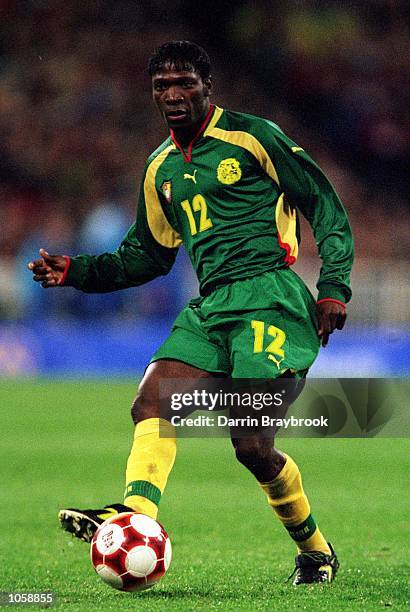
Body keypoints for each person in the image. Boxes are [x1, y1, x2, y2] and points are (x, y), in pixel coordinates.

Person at [28, 41, 353, 585]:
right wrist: (77, 272)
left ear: (208, 86)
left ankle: (316, 552)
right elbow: (147, 256)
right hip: (211, 307)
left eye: (185, 83)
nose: (174, 94)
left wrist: (334, 287)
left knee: (250, 445)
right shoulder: (158, 169)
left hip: (269, 297)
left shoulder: (253, 137)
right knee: (152, 400)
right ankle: (136, 519)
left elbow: (324, 204)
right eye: (162, 86)